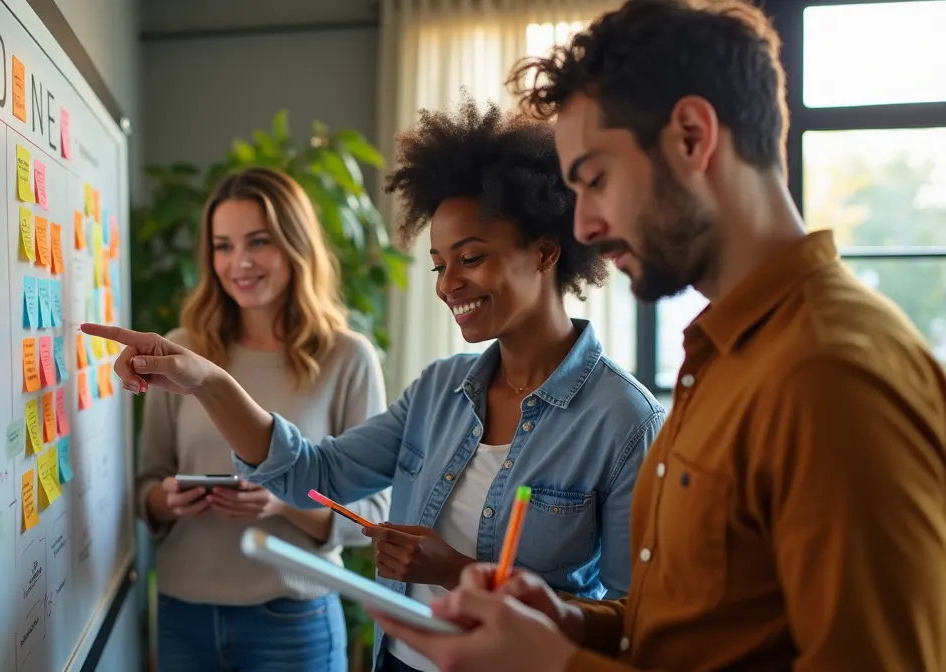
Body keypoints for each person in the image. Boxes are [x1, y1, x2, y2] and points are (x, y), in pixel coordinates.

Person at [371, 1, 946, 670]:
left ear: (693, 138)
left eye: (595, 180)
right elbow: (701, 634)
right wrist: (569, 624)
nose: (582, 225)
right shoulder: (724, 356)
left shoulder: (832, 374)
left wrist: (555, 666)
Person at [86, 99, 665, 672]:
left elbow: (629, 621)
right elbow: (310, 472)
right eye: (440, 264)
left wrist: (456, 570)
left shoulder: (623, 422)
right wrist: (206, 380)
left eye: (470, 257)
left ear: (544, 251)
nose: (448, 285)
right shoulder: (440, 390)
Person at [137, 167, 391, 672]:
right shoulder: (181, 351)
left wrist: (282, 501)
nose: (241, 262)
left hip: (294, 619)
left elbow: (373, 516)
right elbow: (145, 483)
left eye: (259, 242)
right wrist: (167, 498)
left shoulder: (347, 357)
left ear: (296, 245)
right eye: (223, 246)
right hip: (183, 614)